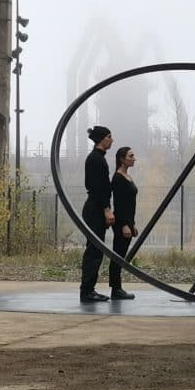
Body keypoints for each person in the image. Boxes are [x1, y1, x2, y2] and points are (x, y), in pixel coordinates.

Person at [79, 125, 115, 302]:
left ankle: (88, 289)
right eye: (109, 137)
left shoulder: (98, 158)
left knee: (95, 251)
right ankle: (87, 291)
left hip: (95, 207)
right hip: (95, 209)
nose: (112, 140)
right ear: (102, 139)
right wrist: (106, 209)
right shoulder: (96, 159)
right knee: (94, 251)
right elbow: (97, 187)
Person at [109, 146, 139, 300]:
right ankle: (116, 289)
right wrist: (123, 225)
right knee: (118, 255)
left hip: (128, 222)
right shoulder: (118, 178)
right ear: (122, 159)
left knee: (121, 255)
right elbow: (119, 204)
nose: (134, 158)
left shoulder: (127, 176)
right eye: (131, 156)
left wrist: (132, 223)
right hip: (121, 223)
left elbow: (130, 204)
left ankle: (117, 288)